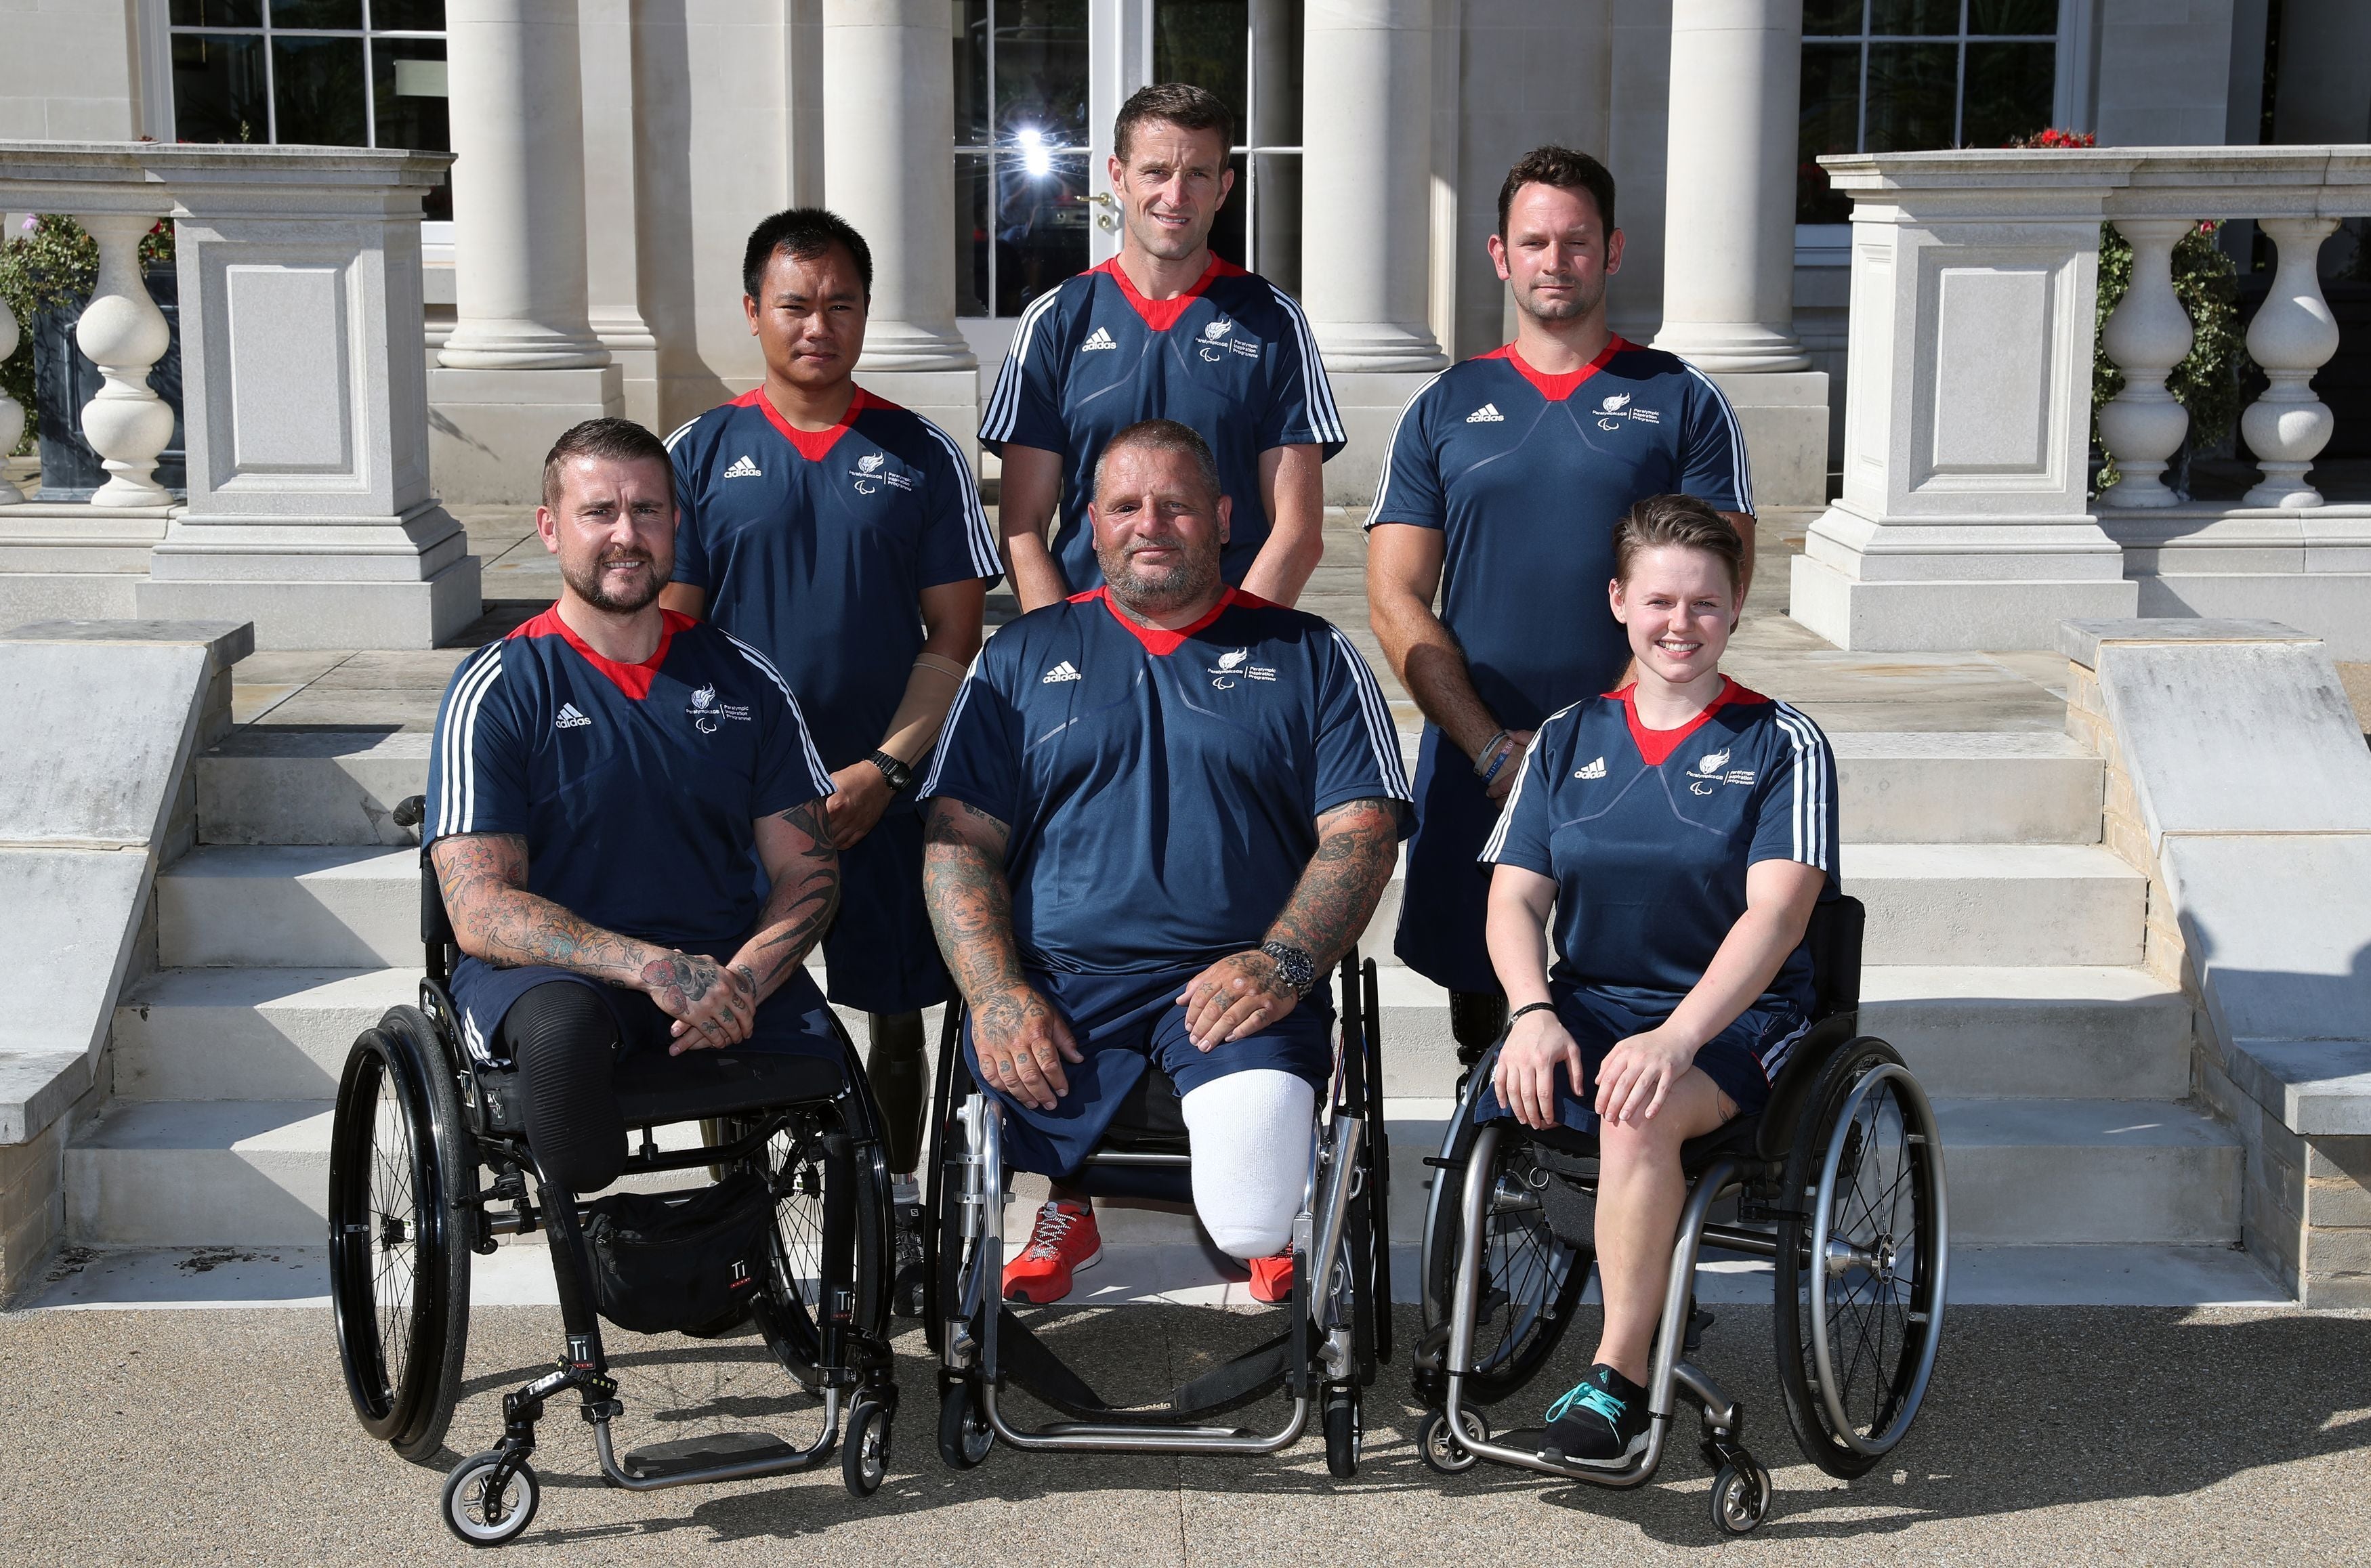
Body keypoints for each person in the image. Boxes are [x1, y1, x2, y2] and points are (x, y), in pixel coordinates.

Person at [921, 419, 1406, 1305]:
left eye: (1176, 505)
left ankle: (1269, 1208)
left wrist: (1285, 960)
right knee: (1002, 1104)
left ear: (1222, 518)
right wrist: (993, 990)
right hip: (1064, 984)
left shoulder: (1311, 654)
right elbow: (959, 846)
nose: (1151, 523)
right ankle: (1073, 1206)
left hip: (1239, 981)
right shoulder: (1018, 658)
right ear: (1093, 525)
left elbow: (1363, 831)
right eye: (1126, 506)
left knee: (1251, 1217)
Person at [1366, 146, 1756, 1071]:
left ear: (1612, 250)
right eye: (1533, 241)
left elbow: (1715, 586)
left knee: (1622, 986)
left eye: (1576, 240)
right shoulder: (1445, 404)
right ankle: (1499, 1177)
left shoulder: (1682, 402)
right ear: (1499, 255)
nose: (1555, 259)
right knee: (1487, 996)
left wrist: (1594, 737)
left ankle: (1590, 1175)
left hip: (1643, 751)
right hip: (1475, 754)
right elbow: (1394, 593)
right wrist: (1491, 746)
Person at [1477, 493, 1837, 1468]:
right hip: (1589, 999)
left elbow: (1778, 916)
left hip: (1733, 1015)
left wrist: (1677, 1037)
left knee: (1638, 1107)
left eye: (1706, 604)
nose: (1681, 624)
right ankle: (1480, 1351)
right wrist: (1533, 1011)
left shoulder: (1782, 742)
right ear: (1619, 602)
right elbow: (1514, 902)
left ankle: (1618, 1375)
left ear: (1735, 607)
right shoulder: (1565, 736)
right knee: (1507, 1084)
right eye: (1660, 601)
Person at [660, 209, 1000, 1187]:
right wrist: (739, 779)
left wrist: (886, 768)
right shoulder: (701, 452)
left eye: (840, 305)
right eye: (795, 305)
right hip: (744, 799)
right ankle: (740, 1209)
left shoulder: (920, 453)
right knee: (731, 1006)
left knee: (900, 1014)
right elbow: (676, 642)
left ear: (864, 313)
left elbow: (955, 634)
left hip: (883, 793)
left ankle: (892, 1204)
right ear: (753, 311)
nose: (819, 326)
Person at [424, 418, 842, 1197]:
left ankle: (736, 1258)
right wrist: (647, 967)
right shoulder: (500, 686)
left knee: (835, 1097)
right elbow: (478, 910)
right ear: (549, 528)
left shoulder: (745, 679)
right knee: (561, 1057)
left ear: (677, 522)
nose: (627, 534)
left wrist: (744, 980)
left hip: (718, 962)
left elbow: (808, 870)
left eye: (648, 510)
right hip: (554, 977)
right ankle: (619, 1261)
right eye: (599, 513)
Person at [983, 81, 1344, 612]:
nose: (1175, 196)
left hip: (1228, 642)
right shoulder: (1055, 320)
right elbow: (1022, 527)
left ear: (1223, 188)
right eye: (1156, 171)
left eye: (1197, 174)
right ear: (1118, 177)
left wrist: (1235, 643)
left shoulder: (1273, 322)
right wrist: (1062, 644)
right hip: (1090, 633)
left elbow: (1298, 530)